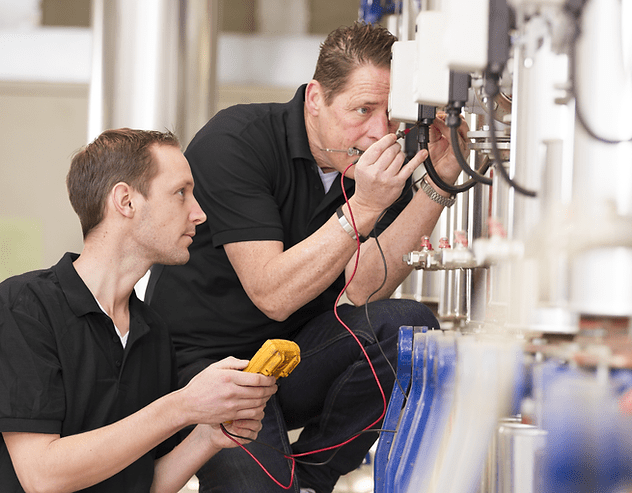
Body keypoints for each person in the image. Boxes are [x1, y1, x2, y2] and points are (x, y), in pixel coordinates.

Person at [148, 22, 469, 493]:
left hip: (292, 357)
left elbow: (365, 285)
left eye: (390, 114)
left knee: (409, 328)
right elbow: (273, 294)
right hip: (206, 366)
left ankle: (312, 477)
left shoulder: (375, 166)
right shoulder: (237, 140)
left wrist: (440, 178)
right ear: (316, 98)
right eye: (363, 110)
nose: (379, 132)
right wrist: (363, 209)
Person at [0, 128, 278, 493]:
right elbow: (42, 476)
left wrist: (209, 436)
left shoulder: (154, 331)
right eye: (181, 193)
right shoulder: (24, 305)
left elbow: (144, 484)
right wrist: (183, 405)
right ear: (126, 201)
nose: (199, 214)